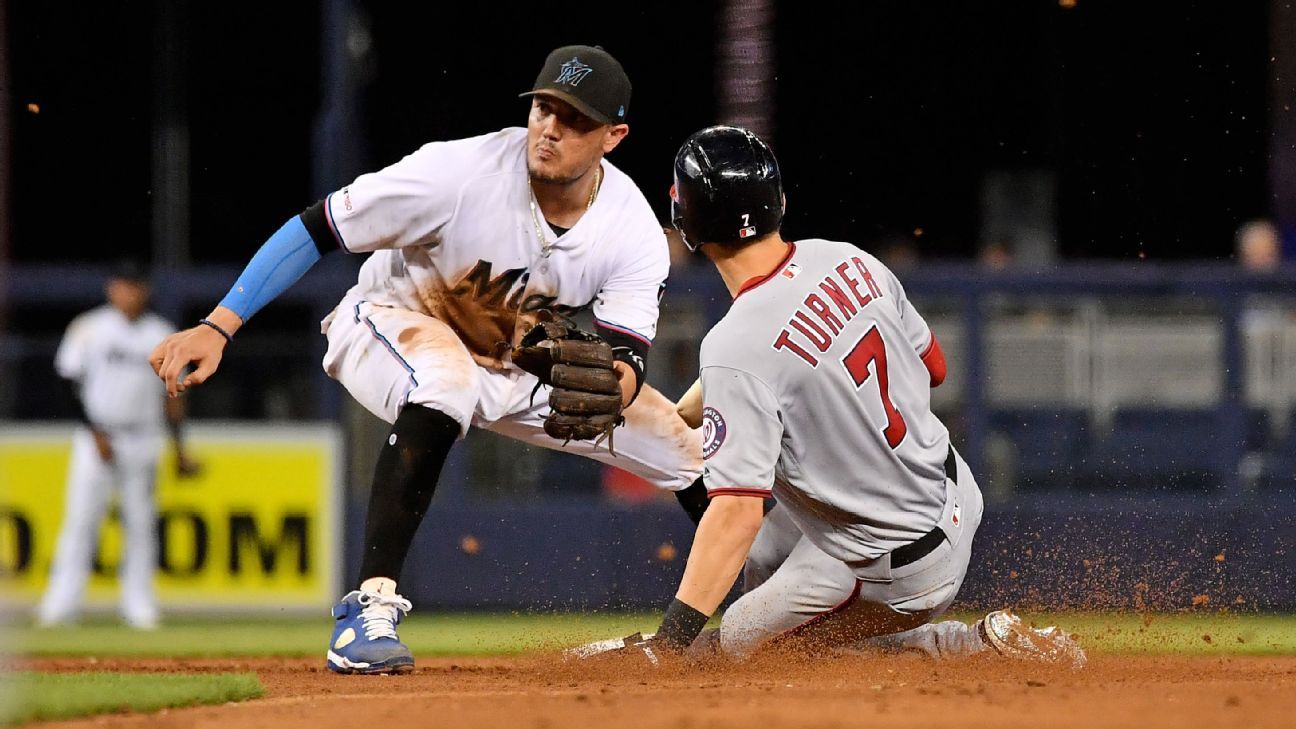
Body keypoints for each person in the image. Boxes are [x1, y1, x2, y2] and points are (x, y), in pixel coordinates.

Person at [149, 44, 705, 674]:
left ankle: (757, 614)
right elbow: (317, 227)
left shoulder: (631, 227)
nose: (550, 128)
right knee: (444, 380)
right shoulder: (458, 173)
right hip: (388, 322)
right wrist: (219, 325)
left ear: (613, 137)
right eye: (543, 108)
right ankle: (367, 611)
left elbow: (627, 356)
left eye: (574, 119)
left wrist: (614, 389)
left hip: (511, 361)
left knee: (690, 452)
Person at [607, 126, 1084, 665]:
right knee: (763, 553)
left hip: (896, 564)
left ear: (685, 221)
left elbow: (735, 512)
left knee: (740, 639)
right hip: (953, 495)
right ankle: (792, 657)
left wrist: (673, 641)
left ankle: (964, 647)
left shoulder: (734, 347)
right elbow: (935, 367)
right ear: (779, 200)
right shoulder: (846, 258)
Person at [36, 261, 200, 630]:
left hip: (143, 436)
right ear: (112, 288)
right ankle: (60, 605)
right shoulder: (90, 328)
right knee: (81, 521)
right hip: (97, 436)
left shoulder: (162, 334)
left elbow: (174, 396)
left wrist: (179, 448)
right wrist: (94, 433)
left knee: (141, 525)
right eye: (125, 285)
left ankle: (138, 606)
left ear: (146, 290)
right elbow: (67, 383)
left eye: (137, 285)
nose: (130, 292)